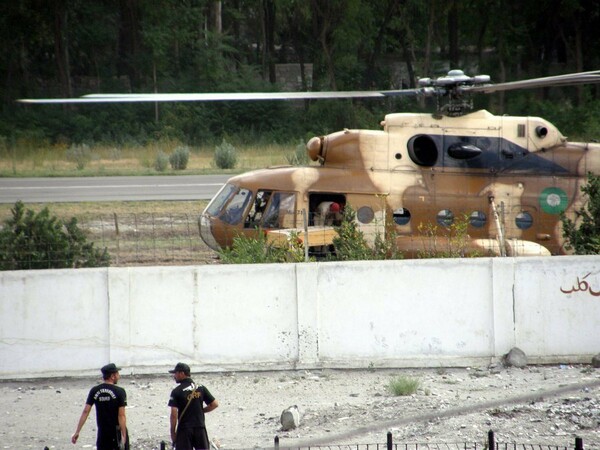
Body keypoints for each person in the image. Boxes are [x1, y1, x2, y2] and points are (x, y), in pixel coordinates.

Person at [71, 363, 128, 450]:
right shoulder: (120, 391)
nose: (119, 376)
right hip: (116, 432)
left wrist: (77, 431)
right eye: (117, 374)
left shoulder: (95, 390)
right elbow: (121, 415)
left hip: (102, 431)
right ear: (112, 376)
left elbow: (86, 411)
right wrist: (124, 435)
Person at [168, 362, 219, 450]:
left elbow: (173, 414)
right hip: (200, 427)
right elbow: (214, 404)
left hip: (184, 429)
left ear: (182, 373)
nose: (174, 376)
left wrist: (173, 432)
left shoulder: (177, 391)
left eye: (175, 373)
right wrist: (201, 410)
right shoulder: (201, 388)